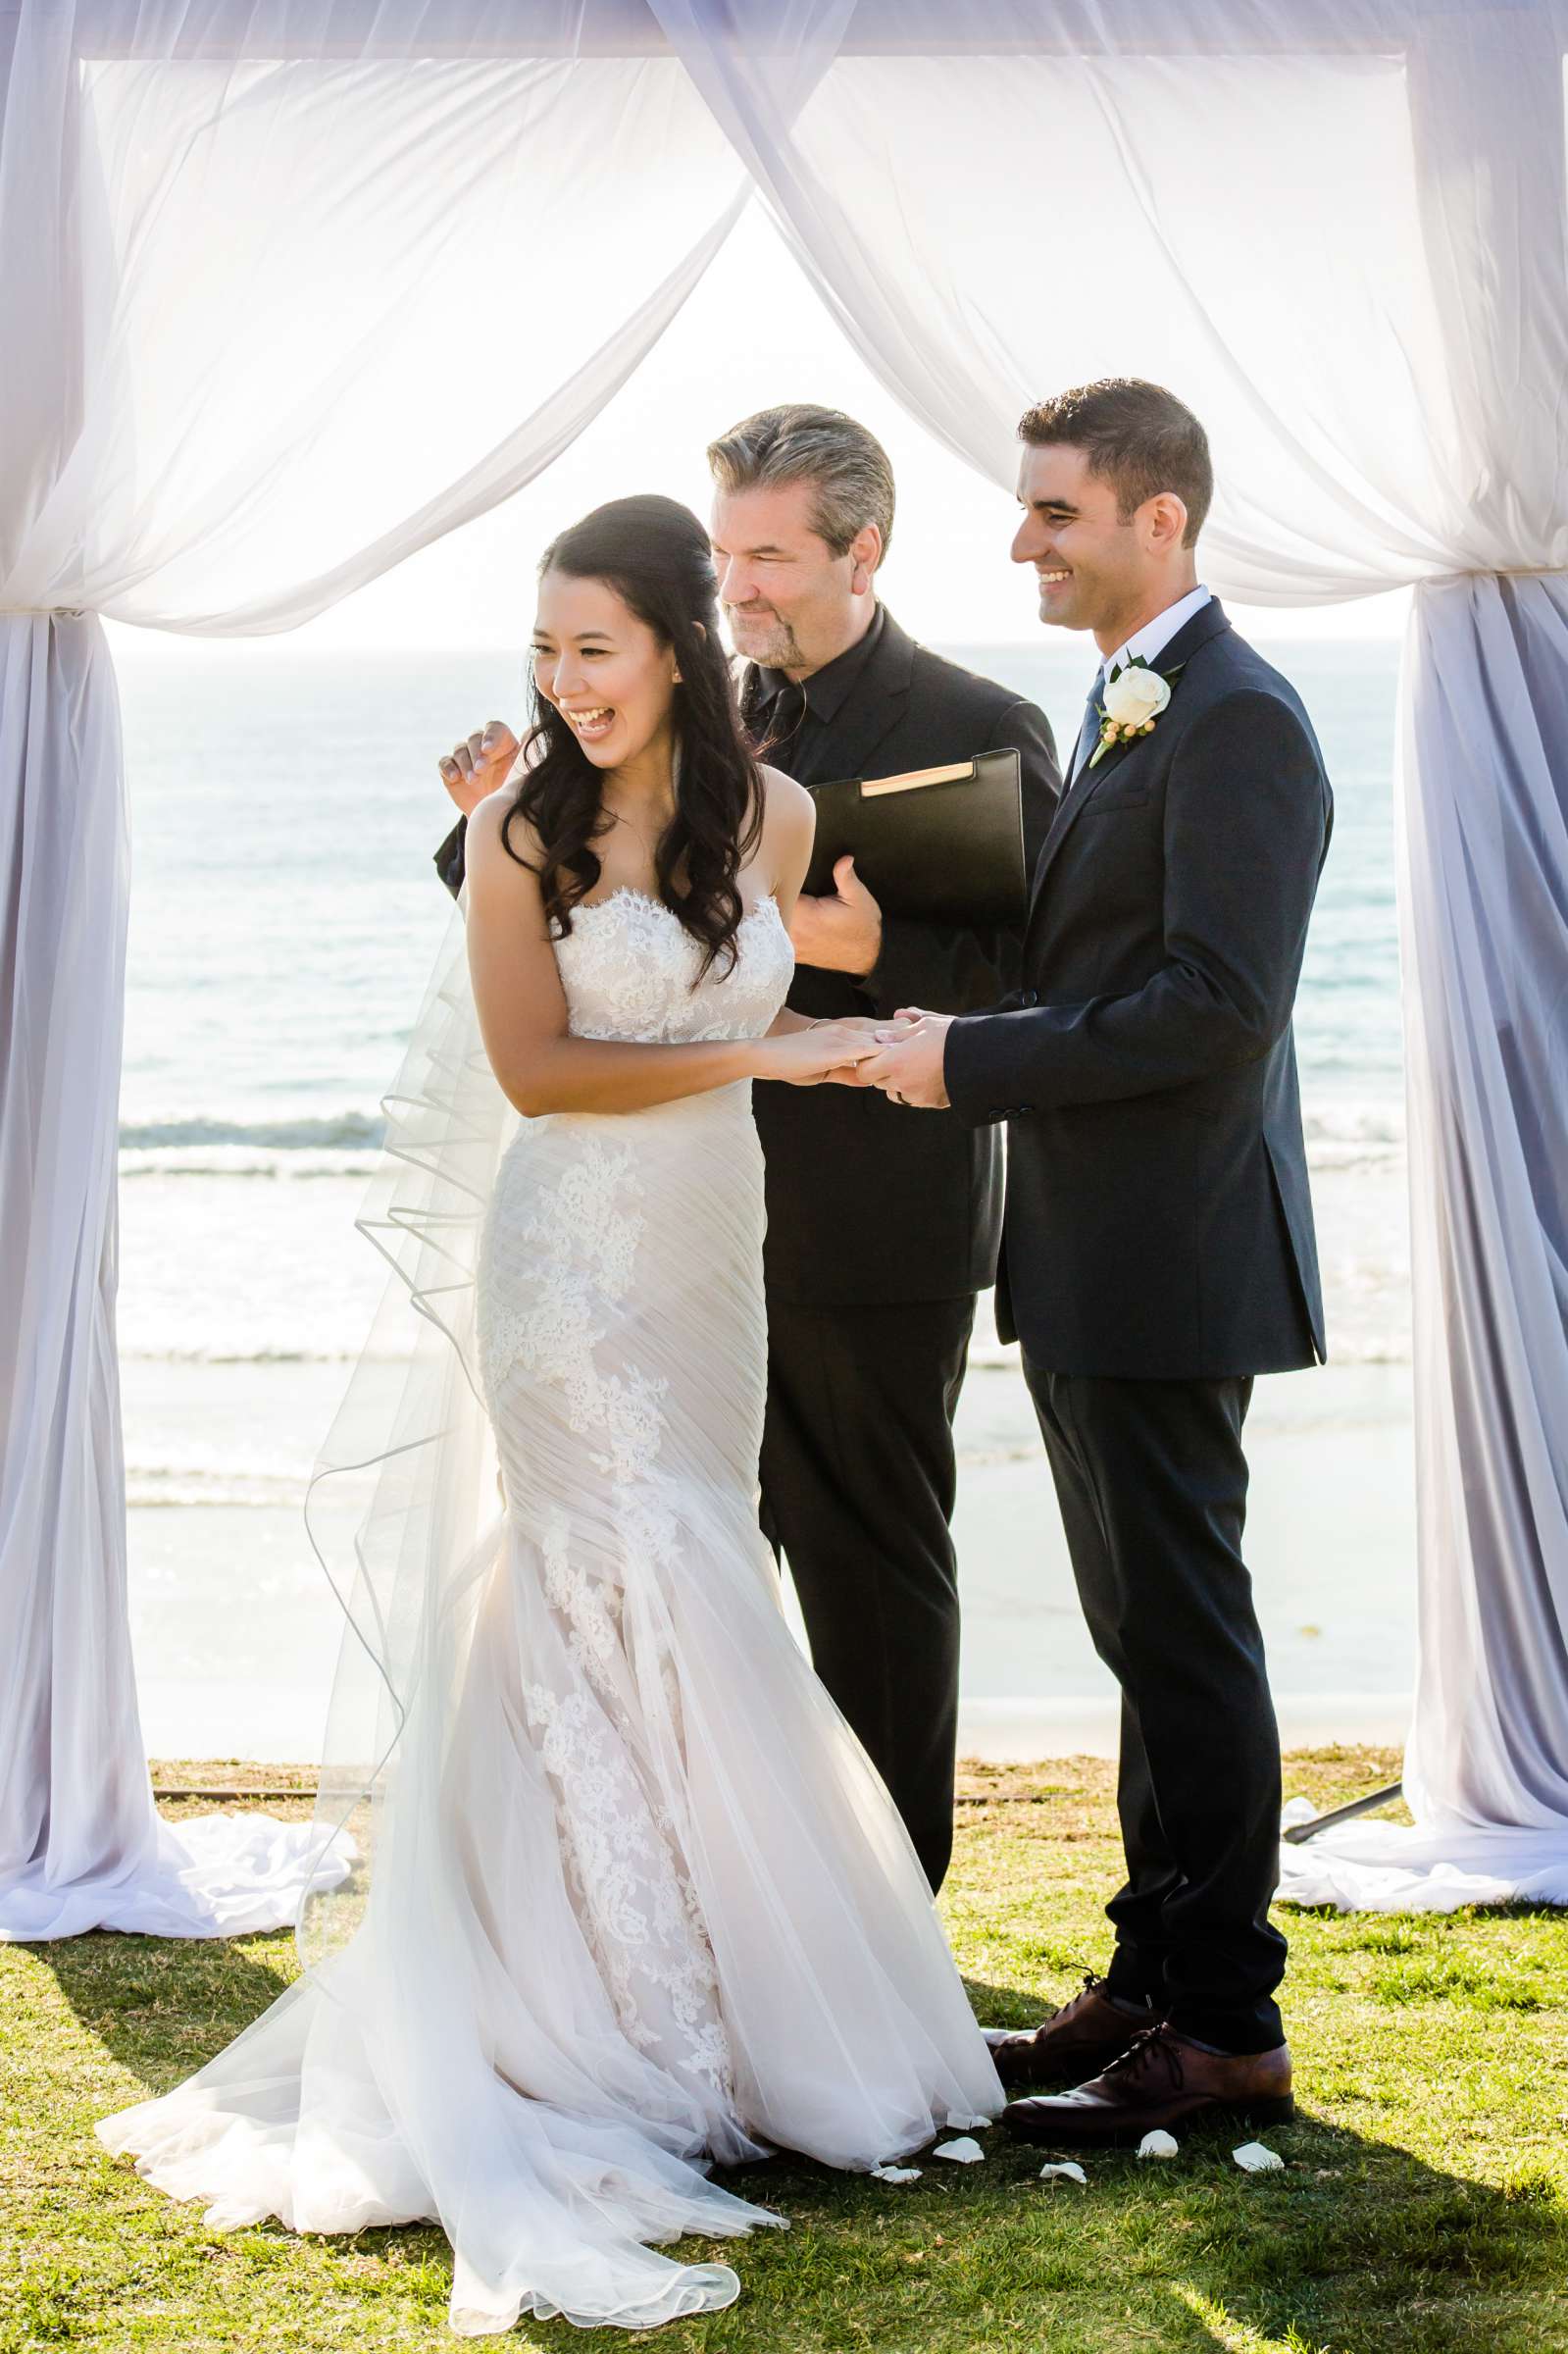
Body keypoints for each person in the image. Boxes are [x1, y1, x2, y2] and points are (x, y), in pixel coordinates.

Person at [97, 496, 1002, 2335]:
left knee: (707, 1566)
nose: (564, 680)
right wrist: (769, 1045)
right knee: (616, 1570)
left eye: (596, 645)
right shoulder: (515, 829)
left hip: (710, 1256)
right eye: (547, 646)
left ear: (681, 646)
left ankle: (743, 1997)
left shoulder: (786, 817)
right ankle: (598, 2005)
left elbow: (787, 950)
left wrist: (854, 975)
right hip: (570, 1263)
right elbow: (540, 1066)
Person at [435, 406, 1059, 1892]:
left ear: (864, 552)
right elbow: (561, 942)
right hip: (646, 1232)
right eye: (726, 558)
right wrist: (475, 829)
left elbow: (1029, 989)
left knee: (866, 1575)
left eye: (771, 557)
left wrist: (862, 947)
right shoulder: (686, 714)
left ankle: (886, 1913)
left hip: (864, 1224)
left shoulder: (978, 724)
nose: (744, 589)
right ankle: (710, 1909)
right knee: (682, 1576)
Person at [862, 381, 1332, 2146]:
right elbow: (1099, 969)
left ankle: (1223, 2029)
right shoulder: (1138, 703)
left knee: (1187, 1638)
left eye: (1053, 511)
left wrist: (972, 1065)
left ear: (1163, 518)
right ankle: (1151, 1981)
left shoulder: (1239, 723)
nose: (1022, 541)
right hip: (1094, 1244)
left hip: (1173, 1251)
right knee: (1146, 1634)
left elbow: (1218, 1013)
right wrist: (933, 1005)